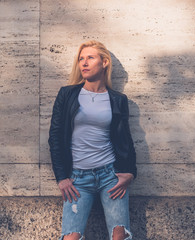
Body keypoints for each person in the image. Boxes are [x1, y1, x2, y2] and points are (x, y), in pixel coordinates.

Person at [48, 40, 137, 240]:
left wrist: (131, 172)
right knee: (70, 237)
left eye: (90, 57)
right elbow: (55, 137)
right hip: (77, 179)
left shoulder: (117, 99)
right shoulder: (68, 94)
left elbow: (126, 139)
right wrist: (62, 177)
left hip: (110, 176)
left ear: (104, 62)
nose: (84, 63)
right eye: (81, 59)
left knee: (119, 236)